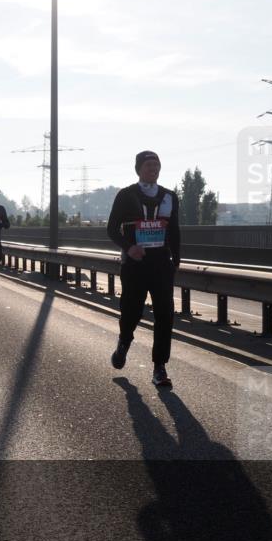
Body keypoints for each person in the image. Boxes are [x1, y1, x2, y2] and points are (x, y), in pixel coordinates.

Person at [107, 151, 181, 388]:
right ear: (138, 169)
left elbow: (175, 231)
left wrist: (175, 261)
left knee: (165, 315)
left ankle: (159, 367)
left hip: (161, 265)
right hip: (135, 265)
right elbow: (111, 229)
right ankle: (123, 344)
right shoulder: (126, 195)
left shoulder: (170, 197)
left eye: (157, 165)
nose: (154, 169)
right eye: (149, 165)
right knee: (131, 312)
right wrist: (129, 248)